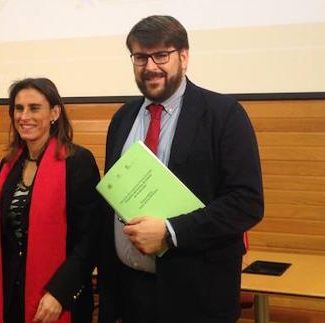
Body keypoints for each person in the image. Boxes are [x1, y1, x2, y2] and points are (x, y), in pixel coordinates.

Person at [97, 15, 264, 323]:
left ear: (183, 57)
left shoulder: (224, 115)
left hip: (196, 299)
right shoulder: (122, 118)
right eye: (140, 57)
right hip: (130, 294)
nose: (150, 66)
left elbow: (246, 203)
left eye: (161, 55)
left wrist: (170, 232)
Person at [0, 78, 101, 323]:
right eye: (18, 108)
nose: (24, 116)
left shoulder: (77, 162)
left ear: (55, 113)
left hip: (60, 298)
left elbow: (90, 239)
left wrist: (59, 293)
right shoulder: (9, 165)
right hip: (12, 295)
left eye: (34, 108)